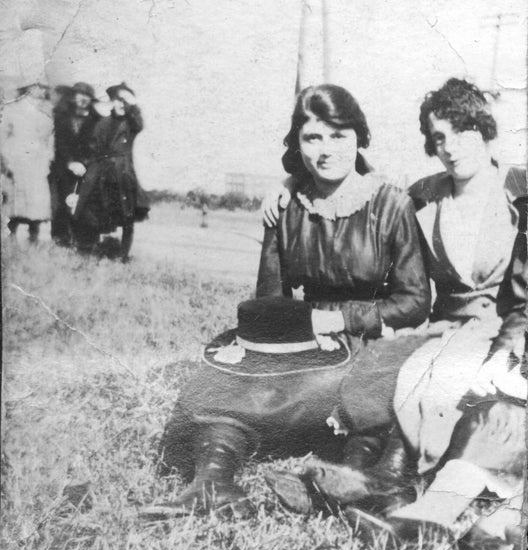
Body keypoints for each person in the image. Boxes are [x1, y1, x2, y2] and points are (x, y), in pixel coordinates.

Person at [264, 80, 528, 550]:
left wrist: (513, 345)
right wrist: (287, 185)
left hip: (508, 327)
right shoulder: (426, 195)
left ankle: (406, 496)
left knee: (466, 387)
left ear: (485, 132)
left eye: (462, 132)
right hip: (445, 327)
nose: (450, 148)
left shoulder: (521, 192)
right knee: (387, 369)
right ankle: (359, 481)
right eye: (439, 137)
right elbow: (360, 190)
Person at [145, 84, 430, 520]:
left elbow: (414, 301)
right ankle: (213, 483)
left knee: (363, 391)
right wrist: (274, 343)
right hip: (304, 336)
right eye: (312, 138)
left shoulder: (391, 204)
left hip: (368, 339)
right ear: (297, 144)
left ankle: (337, 480)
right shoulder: (286, 205)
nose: (326, 150)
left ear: (359, 137)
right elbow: (270, 299)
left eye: (339, 135)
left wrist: (339, 319)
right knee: (217, 381)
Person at [73, 82, 149, 261]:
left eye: (125, 101)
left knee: (127, 216)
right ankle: (94, 252)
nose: (121, 104)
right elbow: (94, 148)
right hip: (103, 173)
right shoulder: (103, 123)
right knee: (97, 211)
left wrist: (132, 105)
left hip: (123, 173)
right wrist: (86, 165)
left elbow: (139, 123)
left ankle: (123, 256)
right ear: (112, 102)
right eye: (117, 100)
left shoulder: (131, 123)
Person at [49, 82, 101, 247]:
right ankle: (61, 243)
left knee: (85, 206)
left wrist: (85, 164)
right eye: (80, 94)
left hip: (86, 170)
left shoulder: (96, 120)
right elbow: (58, 143)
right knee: (60, 206)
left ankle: (85, 244)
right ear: (73, 96)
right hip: (62, 169)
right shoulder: (60, 117)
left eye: (87, 96)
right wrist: (70, 162)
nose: (83, 99)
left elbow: (97, 145)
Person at [1, 83, 53, 242]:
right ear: (30, 88)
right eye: (40, 87)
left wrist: (47, 159)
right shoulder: (12, 110)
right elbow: (3, 136)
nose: (44, 90)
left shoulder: (45, 112)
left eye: (45, 87)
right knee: (15, 204)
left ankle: (34, 239)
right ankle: (11, 239)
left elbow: (48, 138)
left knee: (36, 206)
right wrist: (6, 160)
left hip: (37, 164)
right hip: (16, 163)